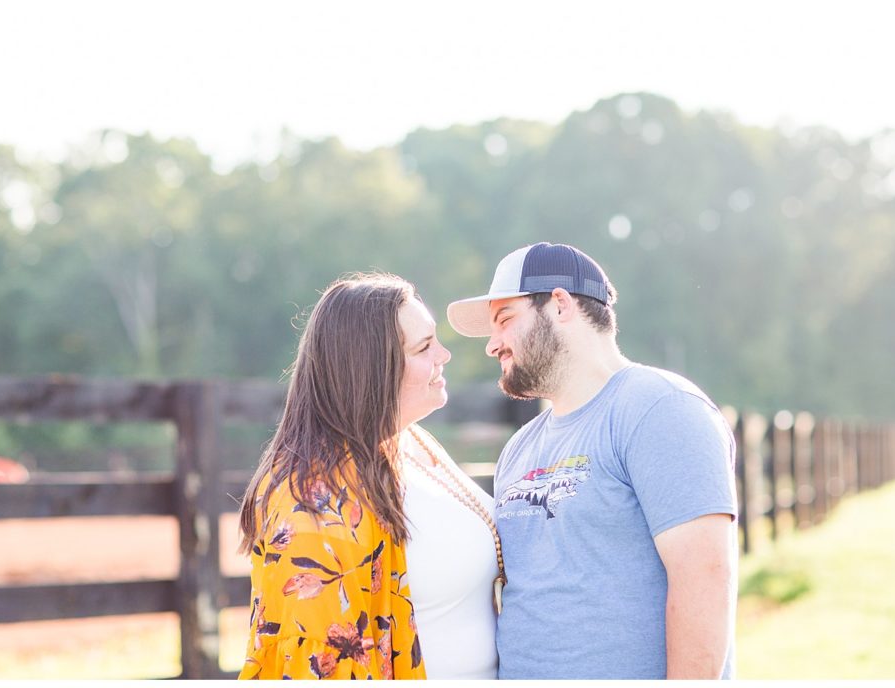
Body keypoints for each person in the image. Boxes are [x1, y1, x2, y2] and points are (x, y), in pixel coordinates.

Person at [447, 242, 739, 680]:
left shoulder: (658, 408)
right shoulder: (519, 447)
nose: (493, 345)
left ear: (560, 305)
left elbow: (706, 580)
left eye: (505, 320)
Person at [237, 273, 500, 680]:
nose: (444, 355)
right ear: (374, 368)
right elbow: (318, 663)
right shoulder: (314, 502)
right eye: (425, 346)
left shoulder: (414, 443)